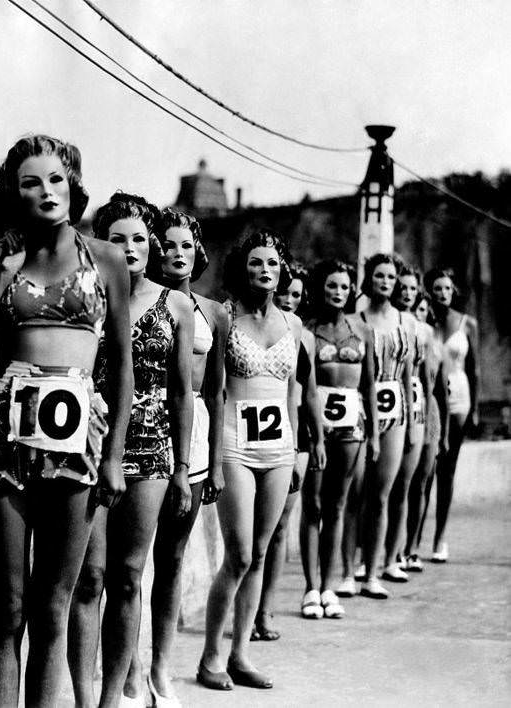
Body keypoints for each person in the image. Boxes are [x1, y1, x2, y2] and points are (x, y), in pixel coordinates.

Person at [0, 135, 133, 707]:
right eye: (31, 182)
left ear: (74, 185)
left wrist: (114, 457)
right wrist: (0, 272)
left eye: (56, 179)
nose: (46, 191)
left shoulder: (107, 259)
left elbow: (122, 368)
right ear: (15, 195)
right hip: (9, 440)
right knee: (8, 604)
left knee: (53, 605)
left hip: (78, 444)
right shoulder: (1, 258)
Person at [68, 194, 193, 708]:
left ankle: (114, 699)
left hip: (152, 448)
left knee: (128, 577)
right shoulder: (85, 294)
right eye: (116, 238)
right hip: (90, 441)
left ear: (153, 245)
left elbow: (184, 392)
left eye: (139, 238)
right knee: (88, 576)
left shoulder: (176, 304)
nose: (129, 247)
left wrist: (183, 469)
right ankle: (81, 696)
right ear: (101, 243)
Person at [197, 230, 302, 691]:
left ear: (282, 271)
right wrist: (214, 460)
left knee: (260, 552)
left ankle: (241, 654)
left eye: (273, 263)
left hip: (278, 447)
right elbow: (211, 388)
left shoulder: (294, 325)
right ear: (243, 268)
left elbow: (294, 393)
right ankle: (210, 657)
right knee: (238, 554)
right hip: (234, 441)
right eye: (256, 262)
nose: (265, 269)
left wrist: (297, 449)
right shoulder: (224, 315)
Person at [130, 208, 227, 704]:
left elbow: (216, 392)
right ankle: (131, 669)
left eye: (186, 245)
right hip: (143, 434)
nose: (176, 254)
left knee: (170, 559)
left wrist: (214, 461)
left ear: (198, 251)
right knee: (130, 566)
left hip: (192, 443)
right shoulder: (141, 302)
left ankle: (162, 669)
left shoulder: (213, 311)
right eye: (167, 244)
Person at [303, 261, 379, 614]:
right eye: (331, 285)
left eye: (344, 287)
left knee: (338, 504)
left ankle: (328, 586)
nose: (338, 292)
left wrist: (375, 434)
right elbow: (303, 387)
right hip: (315, 426)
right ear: (320, 288)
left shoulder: (363, 331)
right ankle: (309, 587)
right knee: (314, 504)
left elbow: (370, 386)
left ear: (352, 291)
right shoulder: (307, 330)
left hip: (352, 424)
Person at [254, 263, 326, 632]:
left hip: (292, 434)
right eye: (286, 292)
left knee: (281, 525)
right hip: (253, 432)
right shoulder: (250, 320)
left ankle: (265, 610)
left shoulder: (304, 336)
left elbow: (307, 393)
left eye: (297, 294)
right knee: (251, 533)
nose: (289, 299)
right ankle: (246, 608)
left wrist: (315, 440)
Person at [350, 253, 418, 600]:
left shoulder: (405, 322)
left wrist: (408, 419)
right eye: (380, 276)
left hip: (395, 414)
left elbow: (407, 376)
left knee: (382, 494)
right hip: (361, 410)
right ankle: (349, 568)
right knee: (355, 492)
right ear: (369, 279)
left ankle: (373, 571)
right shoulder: (356, 319)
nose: (386, 282)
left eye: (391, 277)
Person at [383, 267, 434, 581]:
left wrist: (423, 419)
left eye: (412, 288)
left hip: (413, 408)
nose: (406, 292)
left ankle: (396, 554)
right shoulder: (381, 320)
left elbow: (425, 380)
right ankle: (373, 555)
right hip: (384, 406)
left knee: (404, 486)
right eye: (402, 286)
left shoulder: (420, 329)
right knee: (379, 488)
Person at [425, 267, 479, 563]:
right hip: (432, 397)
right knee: (425, 471)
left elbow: (476, 368)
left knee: (448, 469)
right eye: (437, 289)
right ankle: (412, 540)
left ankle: (440, 539)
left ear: (453, 290)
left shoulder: (468, 323)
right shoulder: (424, 320)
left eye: (446, 288)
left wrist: (476, 411)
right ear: (429, 292)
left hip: (459, 396)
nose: (442, 294)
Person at [403, 291, 443, 569]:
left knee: (422, 483)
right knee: (400, 484)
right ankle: (393, 549)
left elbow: (435, 384)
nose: (419, 313)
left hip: (428, 411)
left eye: (423, 309)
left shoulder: (429, 336)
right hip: (405, 409)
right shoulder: (402, 331)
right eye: (416, 308)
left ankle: (412, 547)